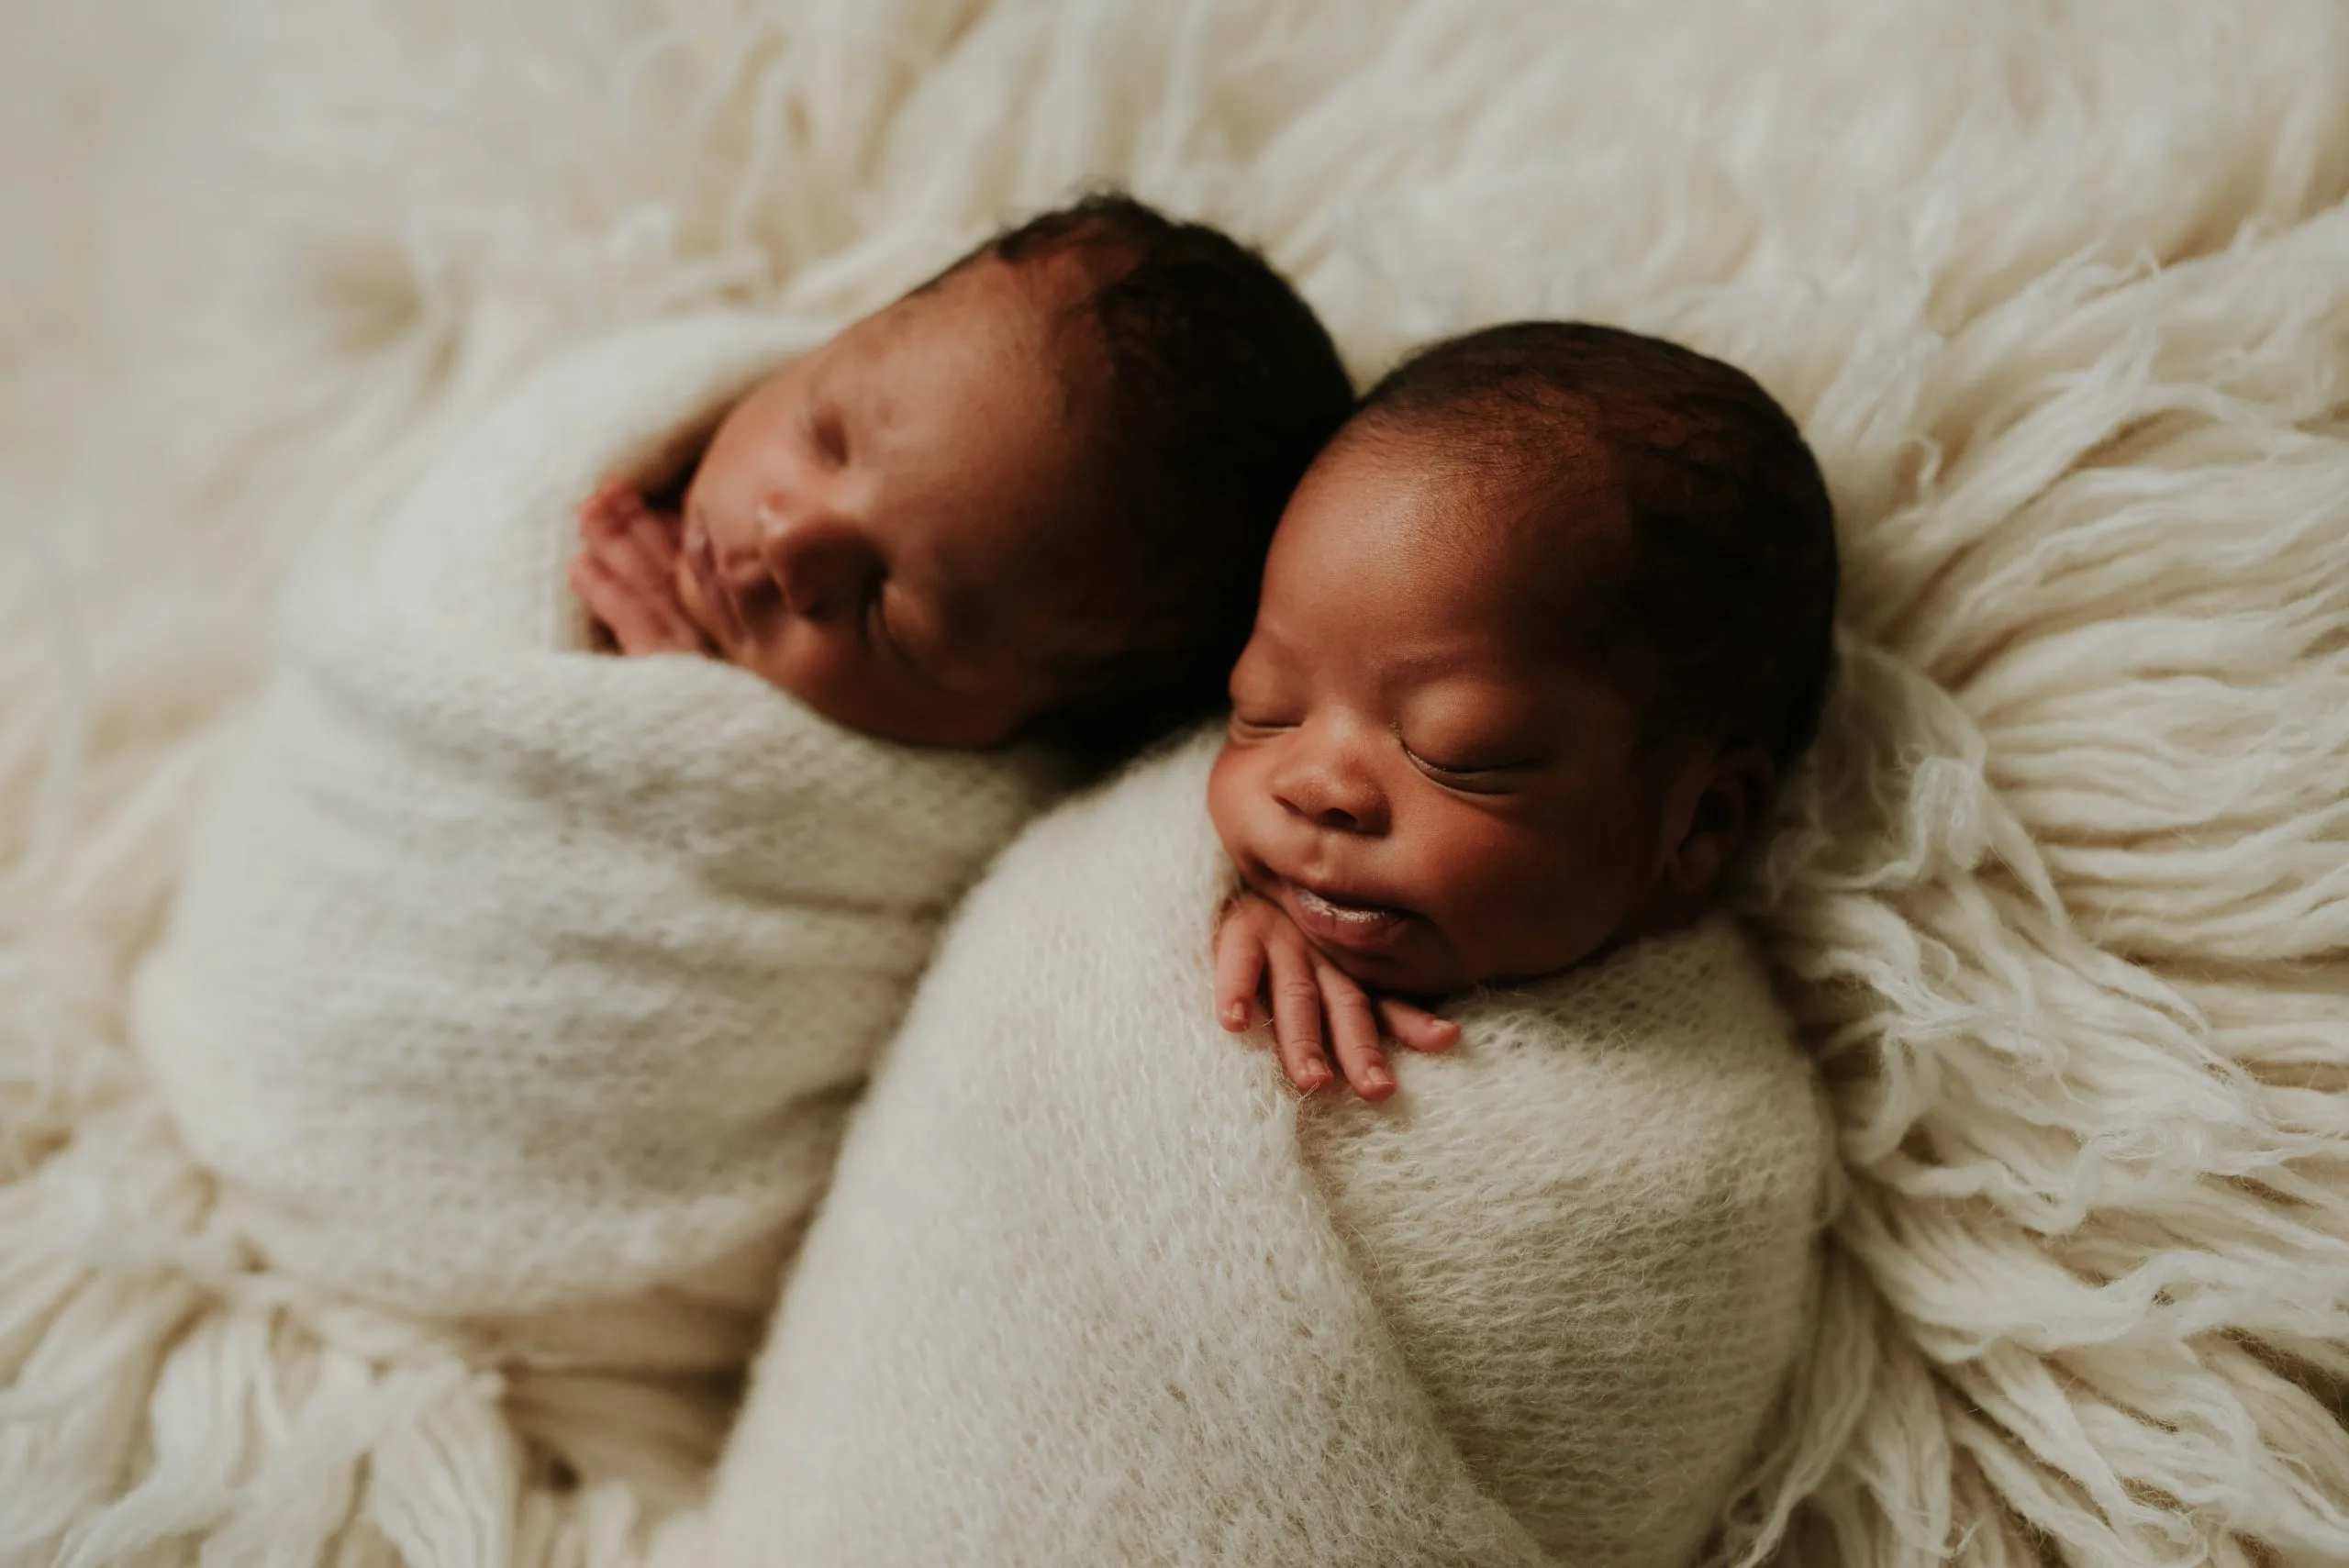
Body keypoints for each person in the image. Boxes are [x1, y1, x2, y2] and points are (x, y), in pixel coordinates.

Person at [1210, 319, 1837, 1097]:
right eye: (1264, 710)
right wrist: (1218, 913)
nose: (1313, 786)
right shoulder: (1207, 883)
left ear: (1700, 823)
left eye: (1454, 753)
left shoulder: (1700, 1083)